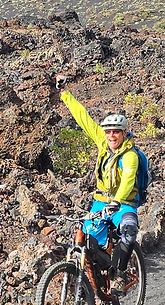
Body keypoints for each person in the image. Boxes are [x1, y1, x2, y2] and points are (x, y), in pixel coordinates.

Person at [60, 90, 141, 277]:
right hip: (101, 202)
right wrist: (65, 94)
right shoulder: (102, 142)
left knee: (129, 232)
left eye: (116, 132)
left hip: (123, 204)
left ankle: (119, 274)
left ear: (124, 133)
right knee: (89, 244)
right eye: (108, 132)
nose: (111, 136)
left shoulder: (130, 155)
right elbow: (84, 119)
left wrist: (117, 201)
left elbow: (128, 179)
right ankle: (93, 283)